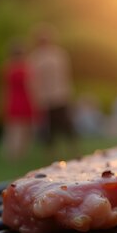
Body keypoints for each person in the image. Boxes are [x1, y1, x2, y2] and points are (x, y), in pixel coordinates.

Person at [28, 24, 78, 157]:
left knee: (63, 127)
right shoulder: (41, 57)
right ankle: (56, 153)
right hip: (51, 97)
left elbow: (65, 75)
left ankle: (68, 151)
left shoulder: (51, 55)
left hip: (55, 96)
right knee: (53, 130)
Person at [0, 40, 38, 161]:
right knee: (24, 131)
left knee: (12, 131)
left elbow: (4, 89)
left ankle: (12, 155)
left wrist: (2, 104)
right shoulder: (25, 69)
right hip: (25, 101)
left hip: (12, 102)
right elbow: (31, 87)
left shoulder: (6, 68)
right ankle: (19, 155)